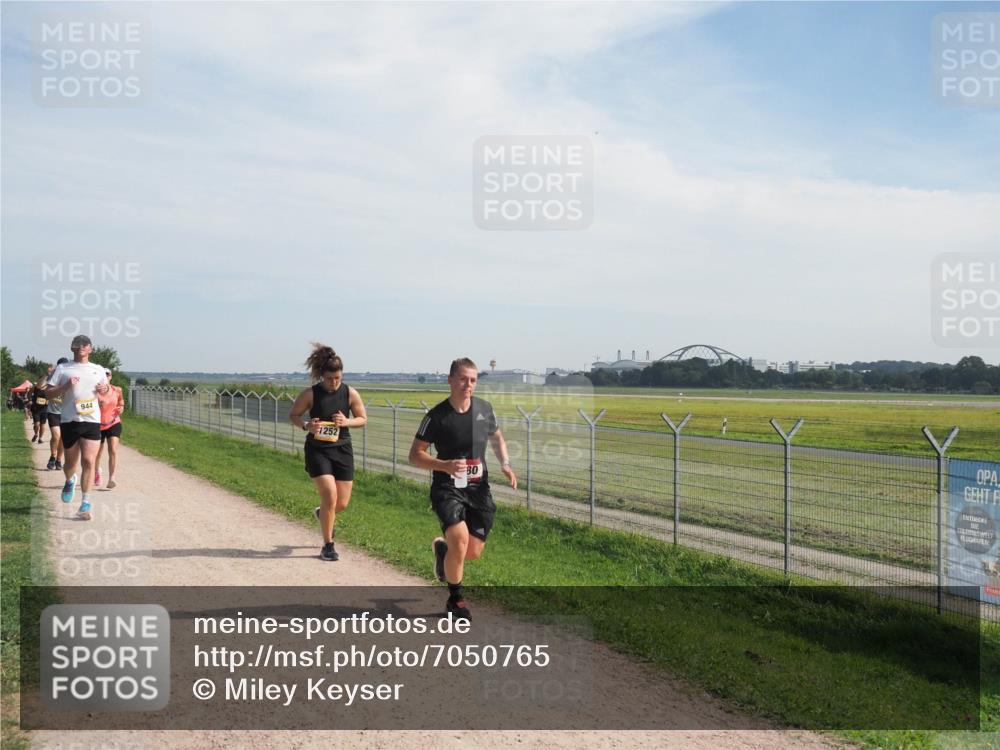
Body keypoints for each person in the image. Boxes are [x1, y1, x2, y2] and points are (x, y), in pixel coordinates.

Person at [408, 357, 517, 621]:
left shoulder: (484, 409)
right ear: (450, 380)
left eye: (473, 380)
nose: (468, 385)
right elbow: (415, 455)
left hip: (478, 488)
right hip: (448, 487)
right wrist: (443, 465)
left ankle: (443, 553)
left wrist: (505, 462)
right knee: (459, 538)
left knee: (472, 552)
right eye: (462, 379)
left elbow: (497, 437)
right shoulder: (436, 417)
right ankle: (456, 600)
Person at [288, 344, 367, 562]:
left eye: (338, 378)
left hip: (342, 449)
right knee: (330, 496)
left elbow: (363, 419)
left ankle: (321, 513)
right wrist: (306, 425)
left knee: (340, 503)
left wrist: (347, 421)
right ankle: (328, 545)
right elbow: (294, 415)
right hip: (317, 451)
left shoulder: (350, 393)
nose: (334, 382)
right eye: (330, 378)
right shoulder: (310, 394)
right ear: (322, 376)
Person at [44, 336, 109, 520]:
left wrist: (104, 390)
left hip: (92, 420)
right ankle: (70, 479)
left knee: (88, 461)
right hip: (69, 420)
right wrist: (65, 386)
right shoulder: (63, 369)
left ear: (91, 349)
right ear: (71, 348)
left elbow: (106, 390)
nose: (81, 347)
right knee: (70, 464)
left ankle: (85, 503)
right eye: (77, 344)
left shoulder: (98, 370)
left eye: (85, 344)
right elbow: (48, 394)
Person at [95, 368, 125, 489]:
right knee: (98, 452)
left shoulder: (117, 389)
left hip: (114, 423)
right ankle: (97, 471)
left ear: (111, 377)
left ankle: (112, 478)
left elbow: (121, 401)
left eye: (108, 374)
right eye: (104, 374)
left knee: (112, 449)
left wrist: (121, 407)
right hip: (98, 425)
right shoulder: (94, 391)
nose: (106, 376)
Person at [45, 358, 69, 470]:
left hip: (65, 413)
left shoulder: (69, 379)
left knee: (63, 438)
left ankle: (59, 459)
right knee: (56, 436)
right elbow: (40, 386)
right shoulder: (51, 378)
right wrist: (46, 375)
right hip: (53, 411)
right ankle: (53, 457)